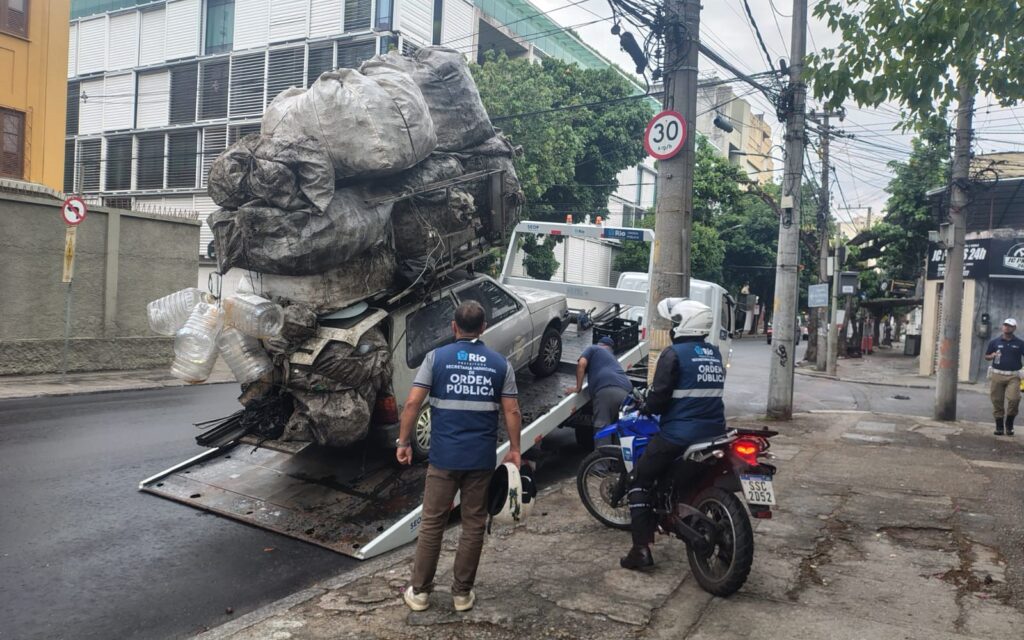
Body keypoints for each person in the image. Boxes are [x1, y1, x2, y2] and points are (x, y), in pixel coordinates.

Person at [396, 300, 522, 612]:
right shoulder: (500, 364)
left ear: (453, 326)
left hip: (443, 458)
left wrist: (403, 442)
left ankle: (420, 593)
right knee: (473, 525)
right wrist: (515, 450)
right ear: (483, 327)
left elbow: (412, 404)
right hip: (480, 460)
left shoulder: (436, 358)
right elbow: (512, 410)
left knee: (432, 524)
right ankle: (462, 595)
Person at [620, 298, 726, 570]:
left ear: (685, 324)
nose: (672, 327)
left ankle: (640, 550)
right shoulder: (714, 354)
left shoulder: (673, 354)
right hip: (715, 432)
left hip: (680, 435)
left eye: (676, 321)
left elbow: (658, 398)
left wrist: (647, 406)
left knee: (639, 479)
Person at [565, 336, 633, 432]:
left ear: (600, 344)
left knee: (602, 429)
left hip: (607, 389)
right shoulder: (613, 359)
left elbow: (581, 364)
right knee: (618, 428)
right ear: (611, 348)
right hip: (627, 391)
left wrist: (578, 388)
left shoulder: (593, 348)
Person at [985, 318, 1024, 436]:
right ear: (1002, 327)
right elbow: (987, 356)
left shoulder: (1020, 343)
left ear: (1014, 328)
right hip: (997, 374)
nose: (1007, 327)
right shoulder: (994, 342)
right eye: (1005, 325)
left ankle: (1009, 423)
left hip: (1013, 376)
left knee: (1014, 399)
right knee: (997, 400)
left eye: (1010, 326)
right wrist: (991, 356)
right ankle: (999, 426)